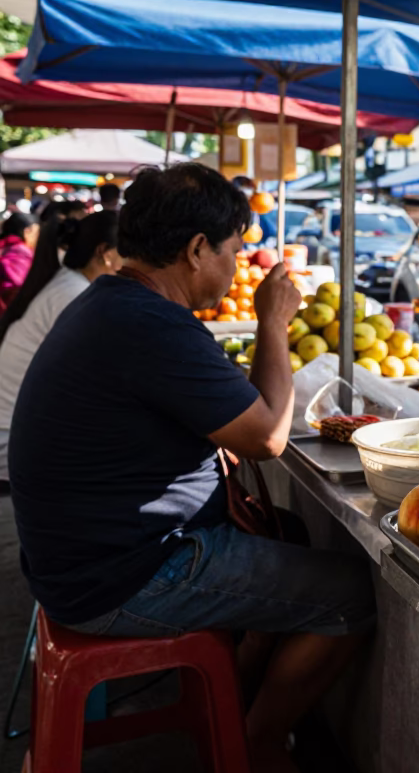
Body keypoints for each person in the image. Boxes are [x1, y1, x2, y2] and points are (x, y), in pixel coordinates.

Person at [10, 163, 374, 772]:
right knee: (352, 593)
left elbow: (235, 408)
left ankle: (227, 708)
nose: (239, 264)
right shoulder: (147, 324)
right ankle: (256, 740)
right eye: (235, 250)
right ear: (197, 249)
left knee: (288, 530)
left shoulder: (116, 304)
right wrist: (272, 322)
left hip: (79, 559)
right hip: (121, 575)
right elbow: (268, 437)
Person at [0, 208, 122, 486]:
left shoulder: (69, 282)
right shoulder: (74, 293)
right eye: (128, 253)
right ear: (105, 252)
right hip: (14, 443)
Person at [0, 213, 39, 311]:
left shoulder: (5, 246)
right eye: (37, 233)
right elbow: (20, 288)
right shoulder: (21, 252)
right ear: (27, 232)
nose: (39, 238)